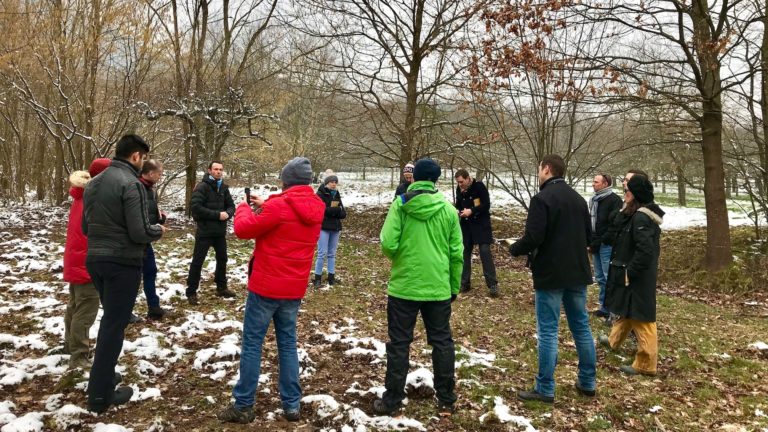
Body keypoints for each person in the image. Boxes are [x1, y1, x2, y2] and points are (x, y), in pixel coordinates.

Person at [218, 157, 325, 424]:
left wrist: (243, 207)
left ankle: (243, 405)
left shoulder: (278, 206)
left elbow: (243, 229)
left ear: (286, 180)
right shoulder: (317, 206)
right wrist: (265, 206)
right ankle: (291, 405)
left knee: (253, 344)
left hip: (266, 287)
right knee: (287, 343)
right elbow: (290, 215)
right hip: (294, 288)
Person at [82, 134, 166, 413]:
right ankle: (100, 395)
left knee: (110, 321)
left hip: (95, 260)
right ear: (135, 156)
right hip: (122, 263)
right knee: (113, 327)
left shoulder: (93, 183)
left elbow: (85, 227)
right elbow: (140, 230)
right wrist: (159, 231)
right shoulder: (131, 184)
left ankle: (103, 375)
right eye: (142, 158)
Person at [373, 158, 463, 416]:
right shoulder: (448, 210)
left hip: (404, 286)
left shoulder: (401, 205)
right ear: (436, 179)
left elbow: (388, 243)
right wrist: (453, 286)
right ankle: (446, 398)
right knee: (442, 342)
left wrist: (402, 259)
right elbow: (457, 253)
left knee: (399, 344)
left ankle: (391, 401)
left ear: (414, 177)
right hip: (438, 287)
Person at [508, 154, 596, 403]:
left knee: (548, 330)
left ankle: (545, 387)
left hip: (551, 274)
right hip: (578, 272)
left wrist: (514, 248)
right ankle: (588, 382)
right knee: (581, 326)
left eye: (539, 170)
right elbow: (589, 237)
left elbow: (534, 237)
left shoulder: (541, 199)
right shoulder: (579, 200)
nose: (538, 174)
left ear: (547, 169)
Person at [598, 174, 664, 376]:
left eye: (627, 190)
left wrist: (630, 273)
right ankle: (613, 340)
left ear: (636, 194)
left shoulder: (642, 218)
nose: (624, 193)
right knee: (627, 309)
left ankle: (646, 363)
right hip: (632, 273)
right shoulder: (633, 214)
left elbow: (646, 251)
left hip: (638, 276)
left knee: (642, 318)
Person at [62, 158, 110, 371]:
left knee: (75, 305)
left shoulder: (82, 196)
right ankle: (79, 355)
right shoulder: (93, 199)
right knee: (86, 310)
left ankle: (69, 344)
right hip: (86, 263)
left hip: (77, 260)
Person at [186, 161, 236, 305]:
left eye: (220, 169)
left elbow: (231, 205)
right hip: (205, 232)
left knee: (223, 259)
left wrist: (228, 213)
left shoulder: (223, 188)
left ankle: (221, 287)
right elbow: (195, 207)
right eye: (215, 169)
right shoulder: (202, 187)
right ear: (209, 170)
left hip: (220, 233)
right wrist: (217, 215)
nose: (218, 171)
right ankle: (191, 291)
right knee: (198, 261)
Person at [454, 169, 498, 297]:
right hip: (466, 226)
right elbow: (458, 204)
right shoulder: (459, 189)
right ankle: (464, 283)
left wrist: (472, 210)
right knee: (464, 253)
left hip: (481, 225)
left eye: (462, 181)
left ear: (468, 178)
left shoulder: (479, 187)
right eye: (458, 182)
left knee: (485, 252)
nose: (460, 184)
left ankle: (492, 284)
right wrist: (458, 211)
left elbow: (486, 205)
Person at [588, 173, 622, 320]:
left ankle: (612, 310)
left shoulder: (614, 200)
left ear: (605, 183)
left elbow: (613, 225)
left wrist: (602, 240)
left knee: (609, 277)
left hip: (607, 244)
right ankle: (603, 307)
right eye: (593, 182)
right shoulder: (594, 200)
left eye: (596, 182)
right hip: (595, 243)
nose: (593, 184)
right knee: (600, 277)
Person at [139, 160, 168, 320]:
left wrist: (160, 218)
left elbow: (150, 213)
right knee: (134, 278)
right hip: (135, 242)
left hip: (146, 240)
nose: (161, 176)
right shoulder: (136, 188)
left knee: (150, 271)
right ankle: (125, 311)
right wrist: (154, 227)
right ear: (150, 173)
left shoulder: (151, 190)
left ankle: (154, 307)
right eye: (159, 173)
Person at [313, 172, 347, 288]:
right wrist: (334, 211)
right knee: (322, 253)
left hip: (335, 227)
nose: (334, 184)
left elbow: (343, 213)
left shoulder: (336, 193)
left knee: (332, 254)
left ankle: (331, 277)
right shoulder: (320, 194)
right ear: (327, 183)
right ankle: (317, 278)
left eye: (335, 182)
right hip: (324, 227)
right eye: (332, 182)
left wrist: (336, 211)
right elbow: (320, 210)